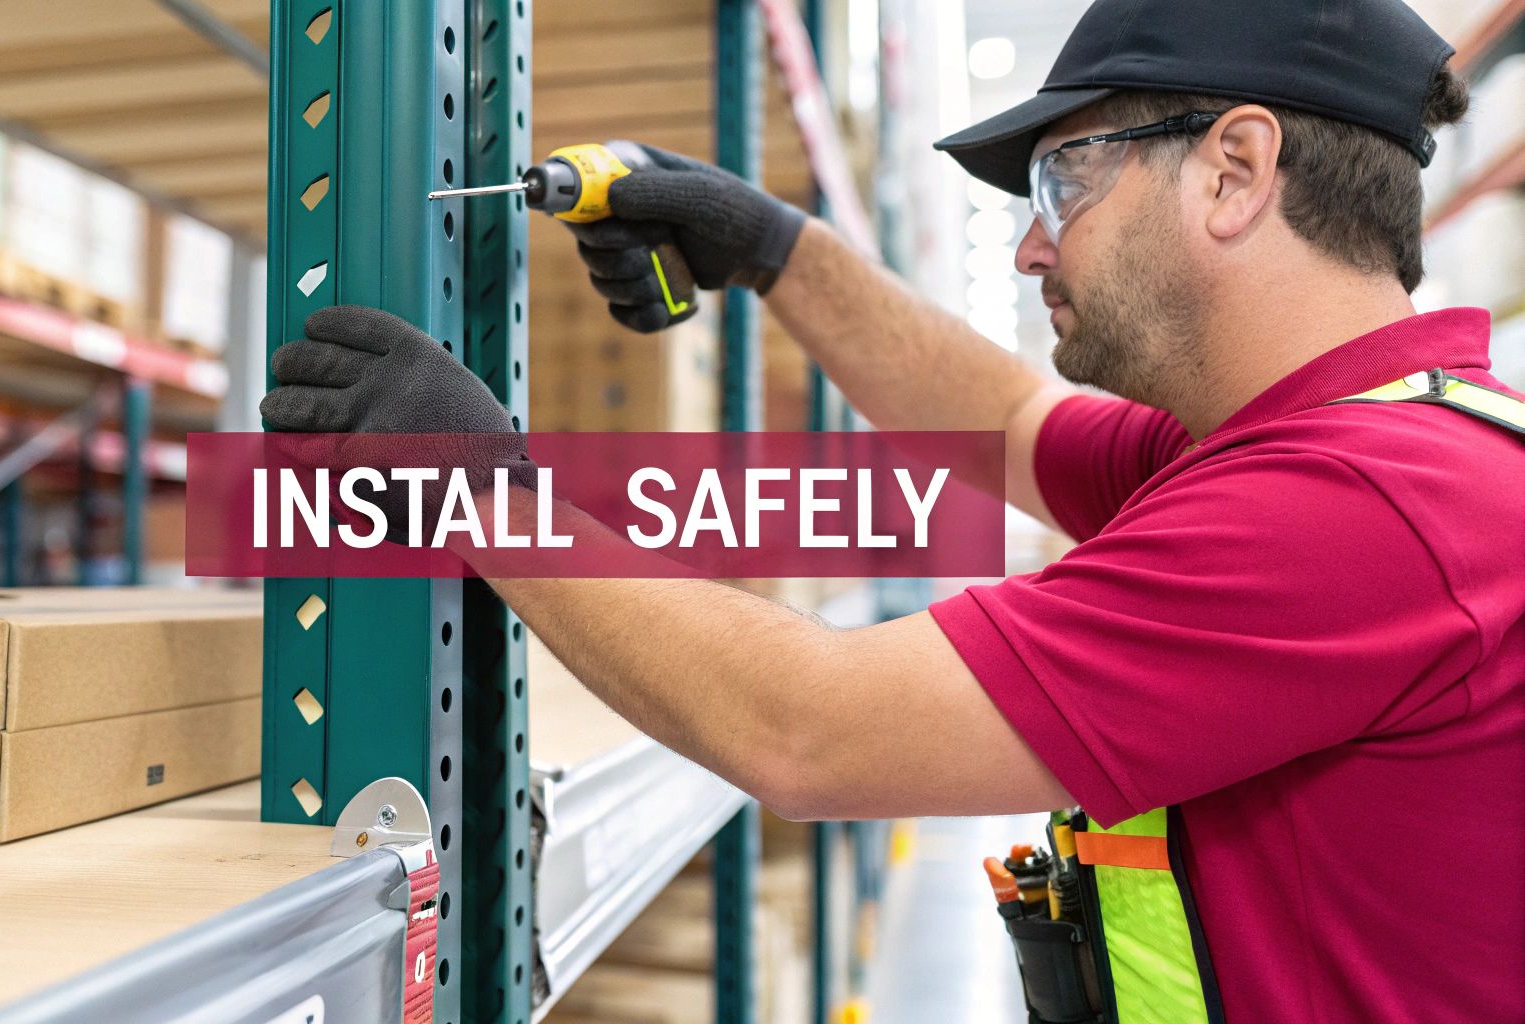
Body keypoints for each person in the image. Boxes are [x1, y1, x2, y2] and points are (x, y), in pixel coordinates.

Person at [260, 0, 1525, 1018]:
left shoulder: (1360, 508)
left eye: (1061, 182)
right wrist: (767, 244)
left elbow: (809, 732)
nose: (1032, 248)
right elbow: (1004, 426)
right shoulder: (1309, 444)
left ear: (1234, 170)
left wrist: (482, 488)